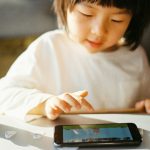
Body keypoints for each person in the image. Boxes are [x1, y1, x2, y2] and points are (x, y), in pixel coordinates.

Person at [0, 0, 150, 121]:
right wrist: (45, 103)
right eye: (87, 14)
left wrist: (145, 105)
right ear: (65, 5)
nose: (98, 31)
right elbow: (5, 94)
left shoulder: (135, 56)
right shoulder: (48, 47)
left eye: (116, 20)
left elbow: (143, 101)